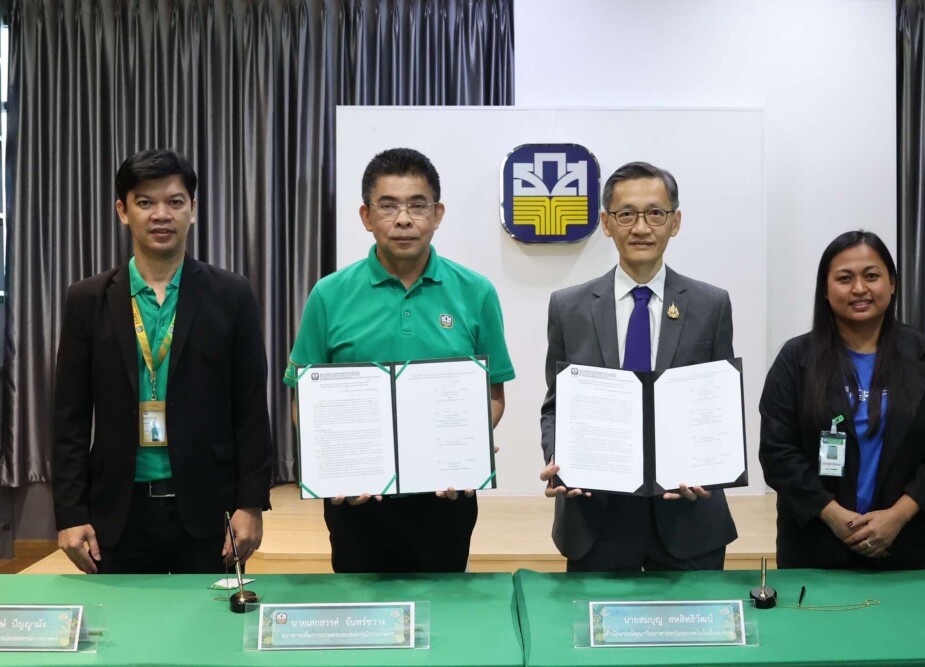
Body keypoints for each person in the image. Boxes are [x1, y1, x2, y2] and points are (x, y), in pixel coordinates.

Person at [285, 147, 515, 573]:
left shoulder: (476, 292)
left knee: (445, 603)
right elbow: (304, 398)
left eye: (417, 205)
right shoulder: (329, 295)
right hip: (357, 500)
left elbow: (494, 395)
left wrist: (467, 442)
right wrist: (334, 465)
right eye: (388, 206)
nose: (404, 219)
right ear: (366, 216)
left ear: (438, 213)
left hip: (445, 496)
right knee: (361, 607)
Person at [52, 149, 273, 574]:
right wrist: (70, 512)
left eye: (175, 201)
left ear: (193, 209)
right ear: (123, 210)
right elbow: (69, 417)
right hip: (116, 512)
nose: (161, 215)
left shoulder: (231, 295)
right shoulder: (87, 300)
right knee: (122, 617)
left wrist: (251, 503)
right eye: (145, 202)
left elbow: (250, 407)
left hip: (209, 509)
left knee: (206, 617)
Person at [539, 161, 737, 571]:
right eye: (626, 214)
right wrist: (561, 462)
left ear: (675, 222)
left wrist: (710, 468)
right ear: (606, 224)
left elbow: (716, 405)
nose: (641, 227)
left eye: (655, 213)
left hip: (688, 518)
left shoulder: (711, 304)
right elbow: (555, 406)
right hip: (596, 516)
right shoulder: (569, 307)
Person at [759, 230, 925, 569]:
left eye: (871, 276)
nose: (859, 288)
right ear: (825, 290)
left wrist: (897, 516)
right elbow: (777, 452)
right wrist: (836, 517)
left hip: (905, 545)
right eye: (845, 278)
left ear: (892, 284)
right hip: (815, 547)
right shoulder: (796, 358)